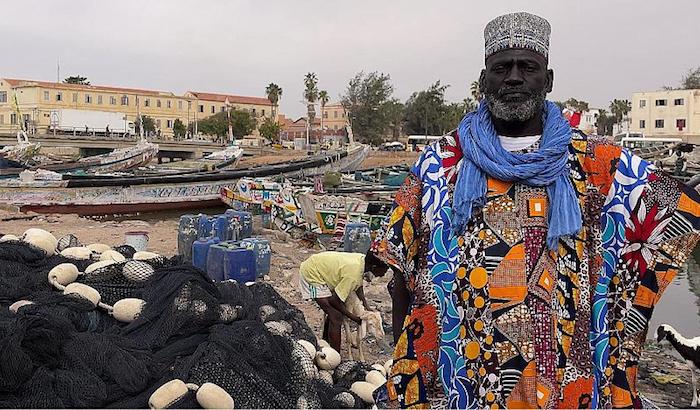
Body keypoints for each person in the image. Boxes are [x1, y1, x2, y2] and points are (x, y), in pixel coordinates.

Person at [372, 11, 700, 409]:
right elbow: (399, 273)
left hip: (562, 378)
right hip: (466, 378)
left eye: (527, 67)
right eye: (501, 68)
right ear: (483, 80)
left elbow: (676, 211)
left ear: (547, 80)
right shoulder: (440, 164)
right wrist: (408, 366)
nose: (513, 77)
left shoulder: (599, 164)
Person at [298, 250, 389, 352]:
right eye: (383, 271)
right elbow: (334, 301)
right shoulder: (353, 274)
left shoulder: (362, 262)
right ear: (374, 267)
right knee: (336, 316)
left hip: (321, 267)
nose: (383, 275)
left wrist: (366, 306)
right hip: (312, 272)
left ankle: (326, 341)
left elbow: (359, 286)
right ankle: (335, 355)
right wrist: (353, 317)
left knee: (333, 313)